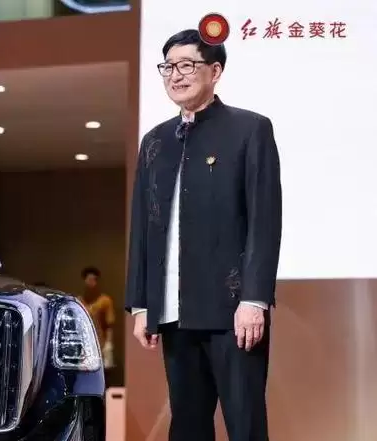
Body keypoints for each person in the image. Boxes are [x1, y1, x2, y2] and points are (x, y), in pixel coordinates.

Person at [125, 29, 282, 441]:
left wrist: (254, 299)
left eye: (187, 65)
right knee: (187, 425)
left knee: (245, 422)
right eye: (168, 67)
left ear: (215, 71)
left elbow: (265, 222)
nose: (176, 75)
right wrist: (141, 304)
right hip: (174, 311)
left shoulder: (250, 129)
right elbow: (143, 225)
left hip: (234, 313)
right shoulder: (155, 141)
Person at [78, 266, 115, 369]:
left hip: (101, 344)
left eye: (94, 280)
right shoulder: (79, 301)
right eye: (89, 280)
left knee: (103, 372)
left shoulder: (105, 301)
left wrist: (108, 344)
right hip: (84, 346)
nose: (91, 283)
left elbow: (109, 325)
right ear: (84, 281)